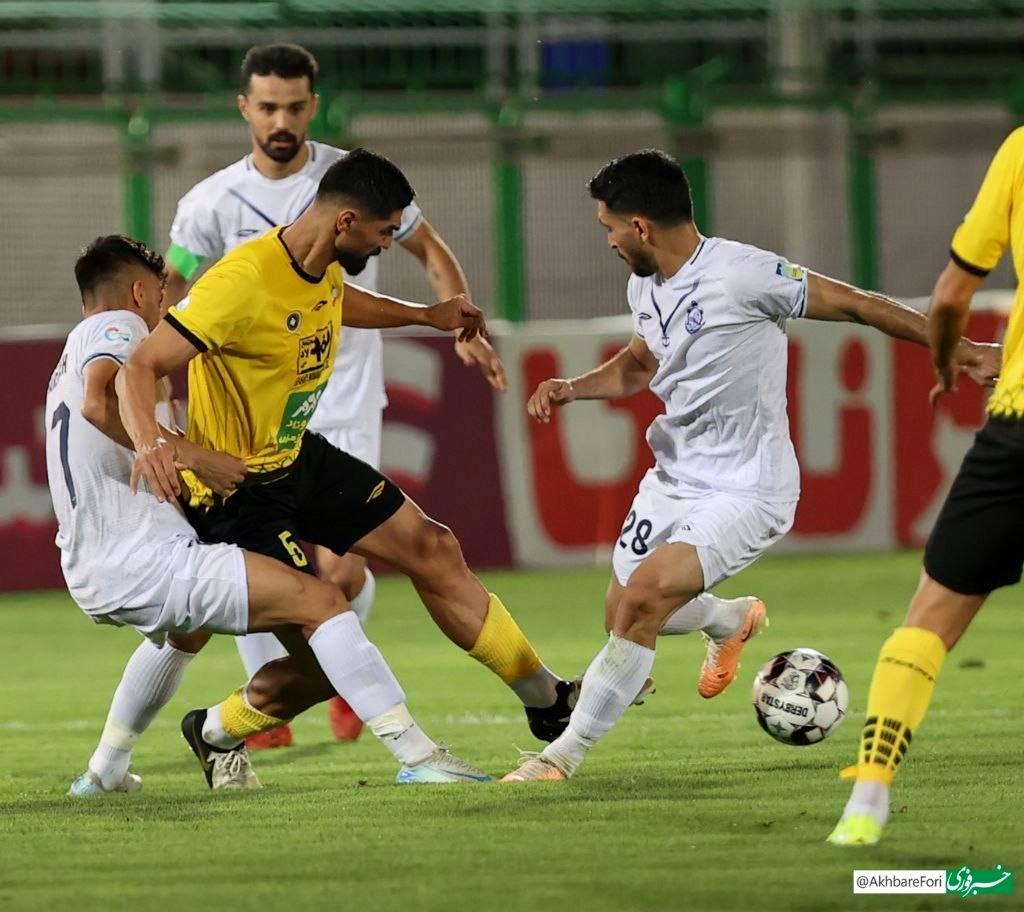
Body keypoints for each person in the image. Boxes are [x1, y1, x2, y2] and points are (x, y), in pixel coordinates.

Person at [501, 149, 1001, 783]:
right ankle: (728, 618)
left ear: (641, 227)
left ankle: (560, 757)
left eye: (609, 228)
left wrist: (961, 350)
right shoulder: (645, 284)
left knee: (644, 600)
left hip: (748, 487)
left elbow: (855, 303)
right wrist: (573, 387)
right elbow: (640, 362)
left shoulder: (743, 274)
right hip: (675, 476)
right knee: (622, 607)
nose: (608, 241)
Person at [86, 148, 574, 789]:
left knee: (432, 546)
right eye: (384, 231)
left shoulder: (318, 267)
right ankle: (218, 730)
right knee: (320, 659)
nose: (388, 242)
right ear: (346, 222)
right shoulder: (240, 281)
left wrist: (425, 316)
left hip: (297, 457)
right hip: (238, 492)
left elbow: (339, 302)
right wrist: (154, 443)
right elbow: (141, 366)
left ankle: (547, 699)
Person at [53, 235, 489, 796]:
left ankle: (110, 768)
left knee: (195, 638)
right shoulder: (120, 328)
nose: (167, 306)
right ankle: (417, 754)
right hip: (144, 561)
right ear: (138, 293)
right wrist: (191, 454)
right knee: (324, 603)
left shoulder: (70, 351)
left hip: (101, 561)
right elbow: (100, 400)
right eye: (162, 294)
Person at [164, 43, 507, 748]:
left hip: (343, 393)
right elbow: (175, 289)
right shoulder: (208, 204)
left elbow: (429, 249)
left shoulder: (354, 181)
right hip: (253, 409)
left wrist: (457, 320)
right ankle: (270, 704)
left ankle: (335, 680)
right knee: (268, 572)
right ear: (245, 108)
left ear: (313, 107)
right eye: (268, 107)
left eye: (294, 107)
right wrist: (162, 383)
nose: (281, 121)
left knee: (342, 571)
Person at [827, 127, 1024, 847]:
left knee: (930, 616)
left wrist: (945, 360)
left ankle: (869, 796)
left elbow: (951, 295)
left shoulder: (1021, 151)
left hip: (1019, 426)